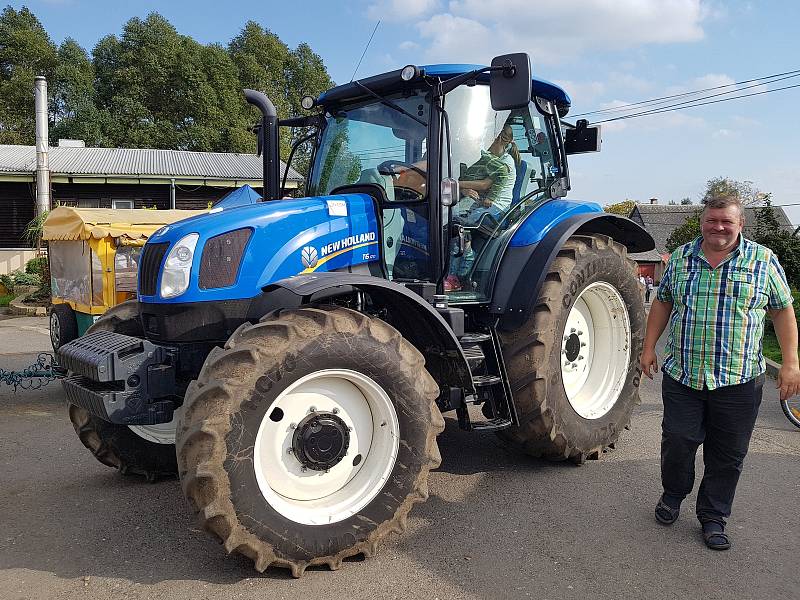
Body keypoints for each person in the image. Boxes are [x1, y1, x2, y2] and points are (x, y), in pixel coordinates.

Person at [640, 194, 800, 551]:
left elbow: (782, 310)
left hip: (739, 380)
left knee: (727, 454)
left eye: (727, 221)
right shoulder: (681, 258)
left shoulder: (763, 260)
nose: (718, 227)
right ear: (702, 222)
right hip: (684, 375)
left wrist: (791, 362)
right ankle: (673, 494)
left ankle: (713, 515)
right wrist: (648, 347)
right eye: (712, 220)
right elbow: (663, 301)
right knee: (678, 441)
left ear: (740, 224)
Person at [444, 124, 520, 292]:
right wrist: (462, 188)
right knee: (447, 220)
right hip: (480, 207)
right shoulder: (490, 159)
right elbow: (472, 181)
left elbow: (485, 185)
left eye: (488, 137)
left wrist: (454, 184)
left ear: (498, 138)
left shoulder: (506, 162)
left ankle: (455, 277)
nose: (484, 142)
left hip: (496, 210)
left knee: (458, 228)